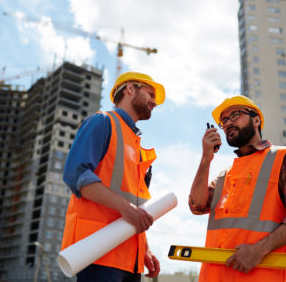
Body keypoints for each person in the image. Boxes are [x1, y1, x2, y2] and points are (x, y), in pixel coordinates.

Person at [61, 71, 165, 282]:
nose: (154, 102)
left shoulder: (136, 146)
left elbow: (136, 206)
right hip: (98, 252)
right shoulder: (102, 122)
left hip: (130, 258)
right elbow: (76, 175)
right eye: (150, 93)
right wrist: (128, 210)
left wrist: (144, 248)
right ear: (129, 89)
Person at [189, 95, 286, 282]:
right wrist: (205, 159)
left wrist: (260, 250)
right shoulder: (225, 174)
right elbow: (197, 205)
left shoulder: (281, 158)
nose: (228, 123)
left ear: (256, 120)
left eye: (235, 115)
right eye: (224, 120)